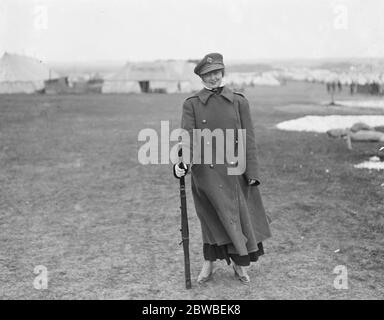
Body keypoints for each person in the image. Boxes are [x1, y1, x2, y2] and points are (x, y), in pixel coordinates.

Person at [173, 53, 272, 284]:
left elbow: (249, 139)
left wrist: (253, 173)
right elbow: (187, 140)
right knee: (211, 220)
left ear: (223, 73)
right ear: (201, 77)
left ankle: (239, 265)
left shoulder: (239, 102)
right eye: (208, 74)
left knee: (236, 219)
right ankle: (208, 264)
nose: (213, 78)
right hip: (205, 173)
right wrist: (182, 164)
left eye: (216, 72)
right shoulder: (192, 105)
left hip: (234, 172)